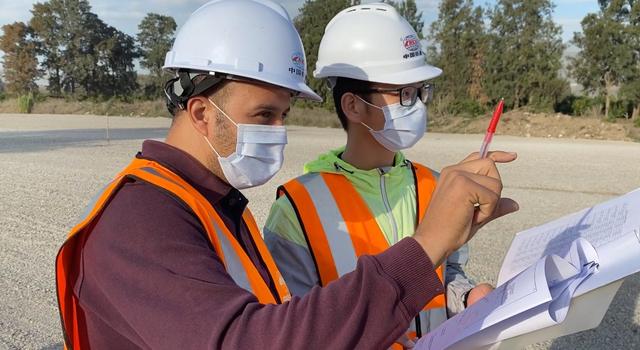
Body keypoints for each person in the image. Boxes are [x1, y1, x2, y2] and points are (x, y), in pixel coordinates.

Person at [55, 0, 518, 349]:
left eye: (283, 114)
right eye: (263, 115)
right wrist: (429, 244)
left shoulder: (212, 205)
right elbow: (258, 339)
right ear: (200, 111)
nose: (279, 132)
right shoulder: (140, 221)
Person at [263, 4, 494, 344]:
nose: (417, 106)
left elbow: (448, 274)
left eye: (419, 92)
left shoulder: (436, 186)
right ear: (353, 106)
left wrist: (468, 297)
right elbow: (294, 326)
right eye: (404, 94)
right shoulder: (298, 209)